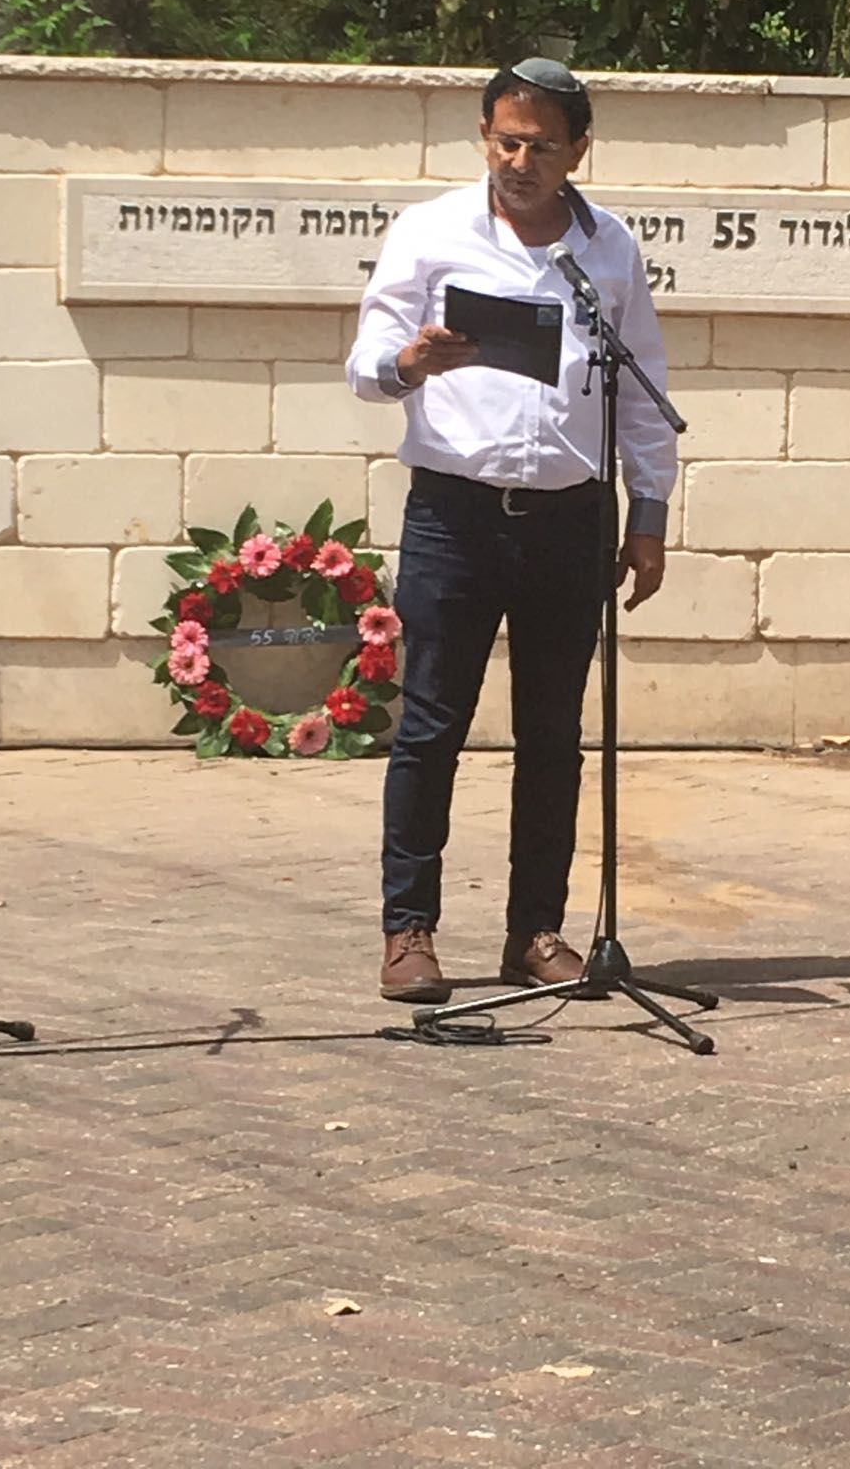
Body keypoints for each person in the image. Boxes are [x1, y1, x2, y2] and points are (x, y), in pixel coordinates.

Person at [346, 58, 676, 1003]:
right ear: (484, 138)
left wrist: (648, 513)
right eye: (505, 142)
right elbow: (366, 364)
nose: (519, 162)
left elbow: (643, 388)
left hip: (570, 519)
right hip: (455, 516)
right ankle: (409, 931)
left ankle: (535, 930)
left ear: (579, 151)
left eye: (540, 146)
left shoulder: (606, 247)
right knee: (430, 728)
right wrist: (412, 361)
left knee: (552, 737)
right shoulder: (430, 231)